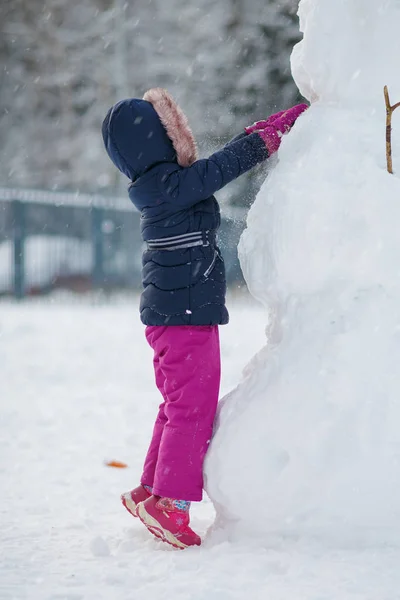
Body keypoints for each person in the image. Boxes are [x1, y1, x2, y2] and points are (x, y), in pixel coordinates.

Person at [102, 88, 307, 549]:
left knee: (176, 405)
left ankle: (151, 490)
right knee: (192, 408)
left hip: (174, 315)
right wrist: (266, 137)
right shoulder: (169, 187)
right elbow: (220, 169)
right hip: (184, 318)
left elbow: (209, 171)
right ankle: (171, 502)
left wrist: (255, 134)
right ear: (162, 140)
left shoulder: (157, 188)